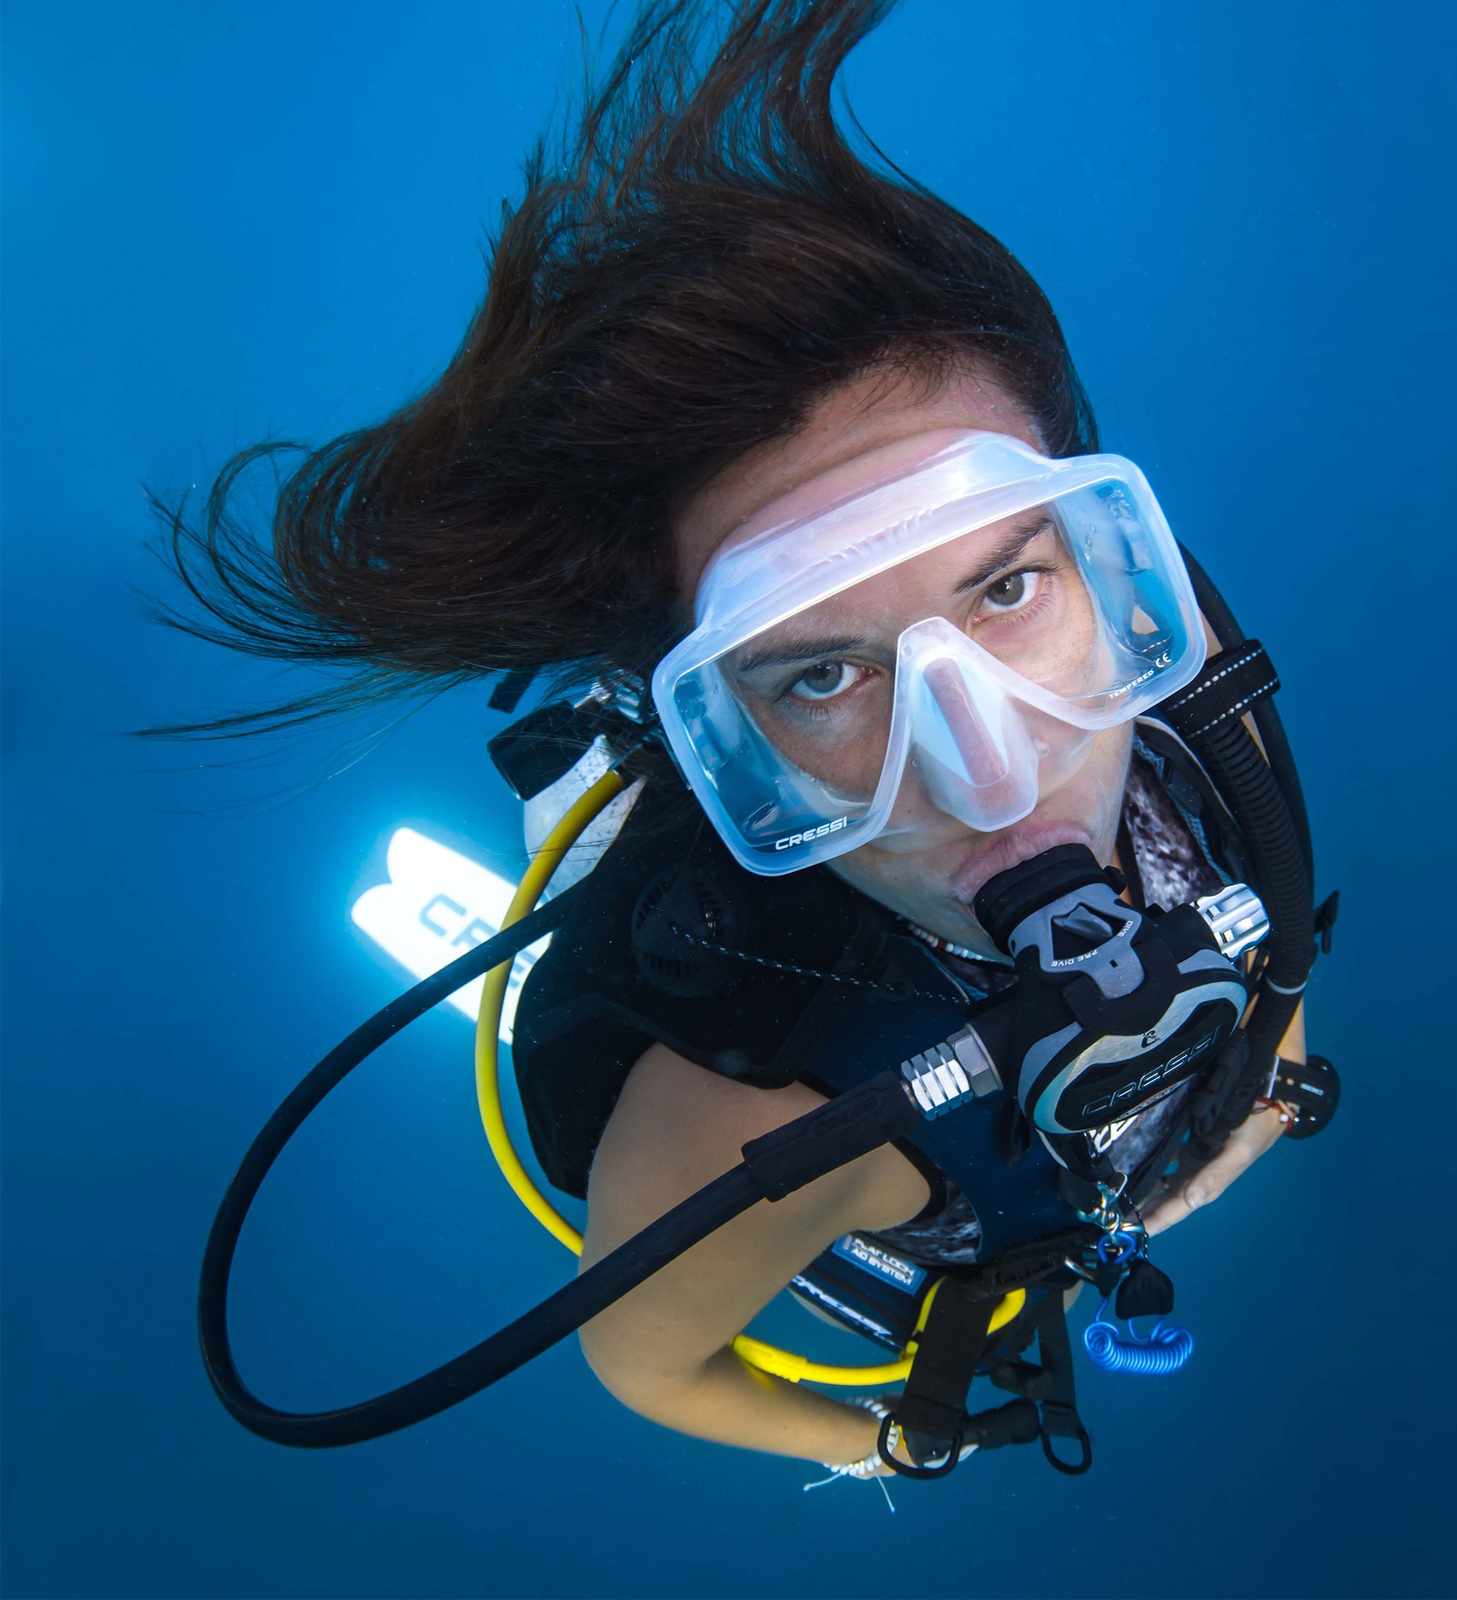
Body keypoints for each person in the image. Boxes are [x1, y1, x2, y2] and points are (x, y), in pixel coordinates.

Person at [140, 0, 1330, 1486]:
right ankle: (592, 794)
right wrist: (889, 1443)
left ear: (1105, 562)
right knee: (611, 869)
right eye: (822, 673)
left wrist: (1261, 1085)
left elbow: (1277, 929)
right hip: (846, 1123)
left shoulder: (1200, 712)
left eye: (1007, 587)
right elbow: (646, 1363)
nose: (997, 775)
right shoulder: (747, 1120)